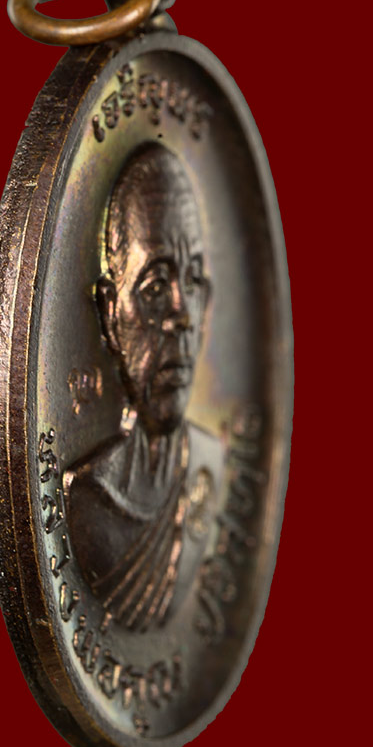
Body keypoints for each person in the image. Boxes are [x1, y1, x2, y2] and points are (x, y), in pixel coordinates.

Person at [63, 142, 225, 633]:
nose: (181, 315)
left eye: (192, 283)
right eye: (155, 288)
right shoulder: (89, 500)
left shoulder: (210, 465)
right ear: (110, 314)